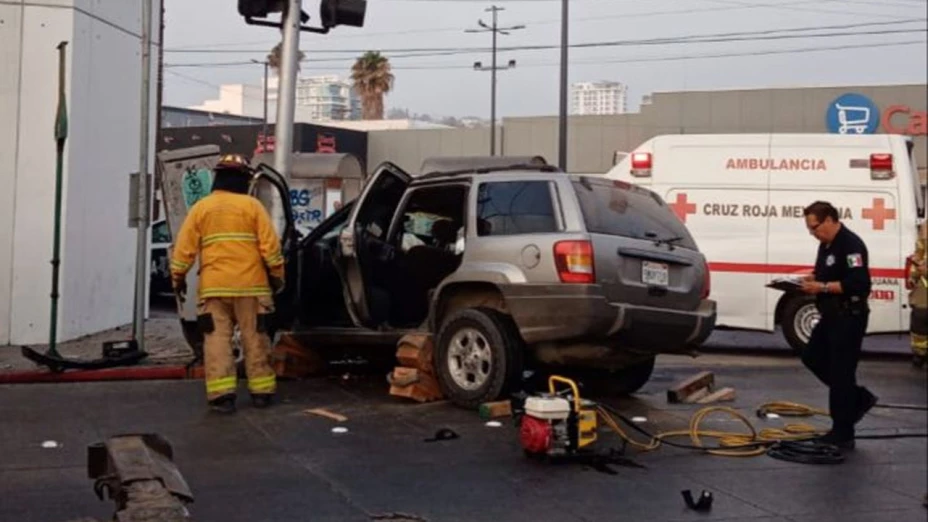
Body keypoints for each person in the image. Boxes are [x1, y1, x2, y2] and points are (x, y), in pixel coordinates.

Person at [170, 154, 285, 414]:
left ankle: (222, 396)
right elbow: (271, 247)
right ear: (244, 179)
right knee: (255, 338)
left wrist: (177, 279)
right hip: (252, 287)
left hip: (214, 289)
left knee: (217, 341)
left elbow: (183, 249)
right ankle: (262, 392)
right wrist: (278, 276)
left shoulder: (202, 208)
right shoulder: (253, 207)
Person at [799, 201, 878, 450]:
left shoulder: (851, 244)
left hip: (848, 316)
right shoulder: (826, 245)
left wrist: (821, 287)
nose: (813, 233)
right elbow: (827, 273)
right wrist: (814, 279)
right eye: (810, 229)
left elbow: (858, 283)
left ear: (831, 220)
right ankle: (857, 398)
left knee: (842, 372)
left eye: (815, 227)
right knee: (812, 357)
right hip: (830, 316)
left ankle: (843, 431)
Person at [906, 221, 928, 368]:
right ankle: (919, 353)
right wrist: (913, 276)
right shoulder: (925, 230)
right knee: (919, 319)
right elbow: (919, 254)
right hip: (923, 289)